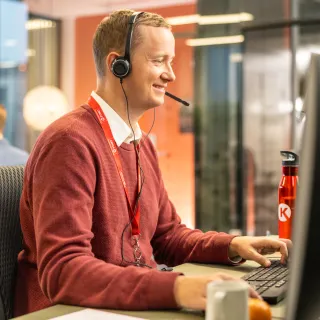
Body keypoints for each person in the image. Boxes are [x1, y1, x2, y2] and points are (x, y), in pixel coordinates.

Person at [14, 9, 291, 316]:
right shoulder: (69, 141)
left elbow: (167, 236)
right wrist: (177, 288)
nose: (171, 74)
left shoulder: (140, 143)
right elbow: (64, 271)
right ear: (117, 65)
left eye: (170, 62)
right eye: (158, 60)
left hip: (125, 306)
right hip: (70, 311)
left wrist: (232, 244)